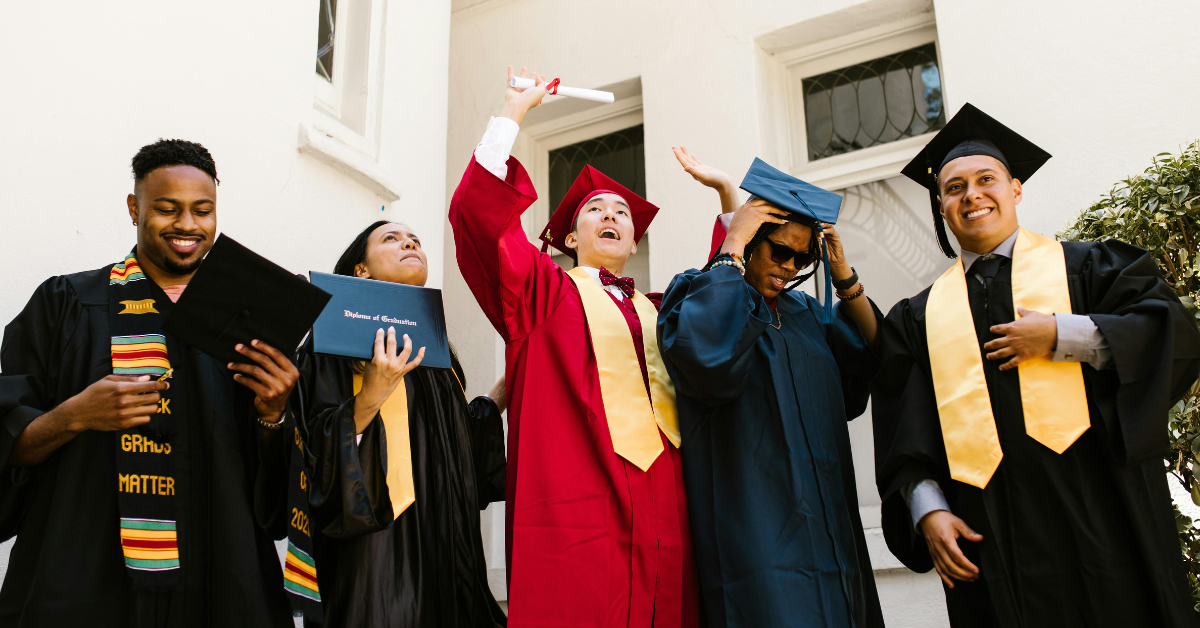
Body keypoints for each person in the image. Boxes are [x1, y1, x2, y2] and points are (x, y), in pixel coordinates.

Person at [872, 103, 1200, 627]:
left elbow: (1172, 333)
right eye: (954, 188)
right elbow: (904, 430)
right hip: (992, 541)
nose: (972, 195)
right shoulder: (918, 316)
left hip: (1104, 519)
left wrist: (1064, 335)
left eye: (986, 179)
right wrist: (927, 510)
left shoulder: (1090, 268)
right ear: (941, 205)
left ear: (1016, 188)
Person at [448, 67, 736, 626]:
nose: (611, 215)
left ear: (633, 240)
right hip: (580, 509)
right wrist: (513, 114)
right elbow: (480, 223)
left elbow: (728, 302)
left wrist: (728, 198)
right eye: (594, 211)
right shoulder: (541, 296)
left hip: (669, 506)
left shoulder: (664, 310)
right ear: (568, 238)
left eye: (622, 213)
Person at [0, 139, 297, 627]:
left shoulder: (247, 320)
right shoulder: (67, 304)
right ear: (134, 208)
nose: (187, 225)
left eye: (203, 210)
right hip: (86, 579)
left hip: (219, 578)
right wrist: (74, 416)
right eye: (166, 208)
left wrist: (274, 414)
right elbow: (8, 444)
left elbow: (273, 491)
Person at [658, 158, 886, 627]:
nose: (790, 267)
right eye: (780, 251)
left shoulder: (807, 313)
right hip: (755, 529)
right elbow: (706, 361)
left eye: (804, 259)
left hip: (831, 528)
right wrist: (734, 239)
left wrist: (842, 275)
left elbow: (875, 355)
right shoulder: (701, 293)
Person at [290, 220, 508, 627]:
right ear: (361, 270)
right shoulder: (333, 344)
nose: (409, 242)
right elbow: (312, 450)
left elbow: (463, 447)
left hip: (444, 538)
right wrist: (371, 392)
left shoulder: (438, 357)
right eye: (391, 238)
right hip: (376, 548)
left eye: (415, 240)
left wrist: (507, 386)